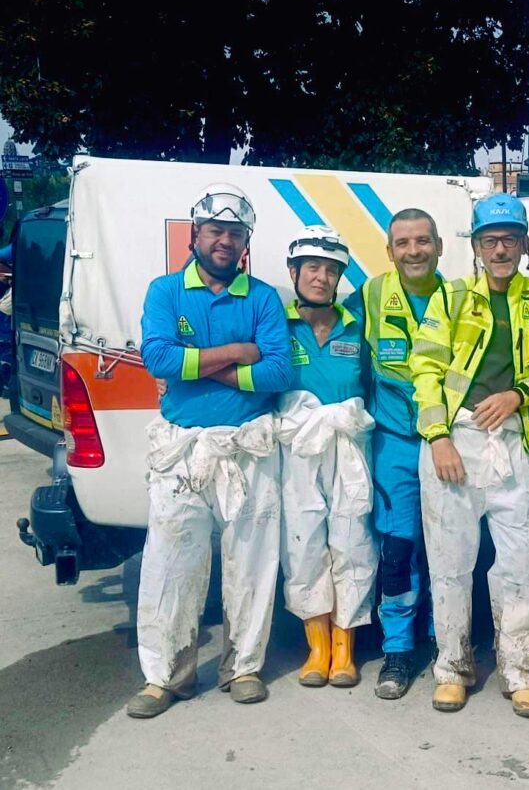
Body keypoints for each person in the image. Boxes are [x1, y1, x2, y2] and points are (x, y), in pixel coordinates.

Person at [129, 183, 292, 718]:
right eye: (215, 230)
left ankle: (242, 668)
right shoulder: (166, 291)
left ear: (246, 240)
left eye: (235, 233)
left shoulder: (263, 296)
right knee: (171, 565)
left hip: (248, 450)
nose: (225, 241)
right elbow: (158, 359)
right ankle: (165, 677)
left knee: (251, 562)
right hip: (182, 452)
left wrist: (199, 362)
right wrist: (237, 353)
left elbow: (277, 372)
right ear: (195, 234)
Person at [410, 193, 529, 718]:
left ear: (525, 245)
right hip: (453, 442)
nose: (500, 249)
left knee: (523, 565)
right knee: (451, 565)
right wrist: (437, 437)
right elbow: (426, 369)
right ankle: (453, 669)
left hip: (511, 443)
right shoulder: (452, 298)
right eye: (490, 240)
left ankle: (521, 672)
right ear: (476, 247)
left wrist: (519, 394)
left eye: (509, 239)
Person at [343, 208, 444, 700]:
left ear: (439, 247)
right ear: (389, 252)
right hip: (395, 445)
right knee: (398, 551)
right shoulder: (371, 293)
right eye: (402, 243)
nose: (413, 252)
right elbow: (327, 336)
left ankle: (450, 640)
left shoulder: (462, 297)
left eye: (422, 241)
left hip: (447, 441)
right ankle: (399, 650)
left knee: (454, 549)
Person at [277, 226, 377, 689]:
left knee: (353, 541)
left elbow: (376, 387)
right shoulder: (276, 325)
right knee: (303, 543)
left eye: (331, 269)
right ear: (294, 272)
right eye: (312, 267)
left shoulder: (358, 326)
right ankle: (316, 649)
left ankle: (345, 650)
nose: (321, 277)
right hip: (298, 450)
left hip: (349, 448)